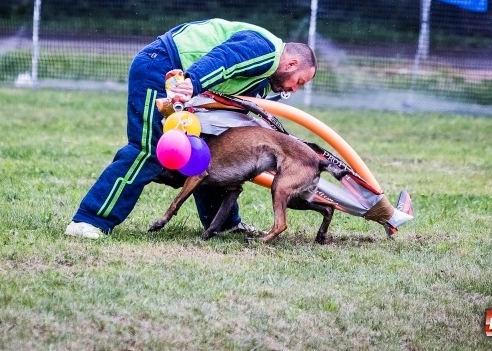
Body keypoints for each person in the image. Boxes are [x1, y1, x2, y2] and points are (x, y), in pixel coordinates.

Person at [65, 18, 318, 239]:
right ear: (292, 63)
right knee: (147, 150)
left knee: (209, 154)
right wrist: (192, 82)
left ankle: (224, 225)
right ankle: (89, 220)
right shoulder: (265, 48)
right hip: (161, 66)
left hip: (184, 83)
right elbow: (224, 59)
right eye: (299, 82)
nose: (294, 90)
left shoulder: (262, 82)